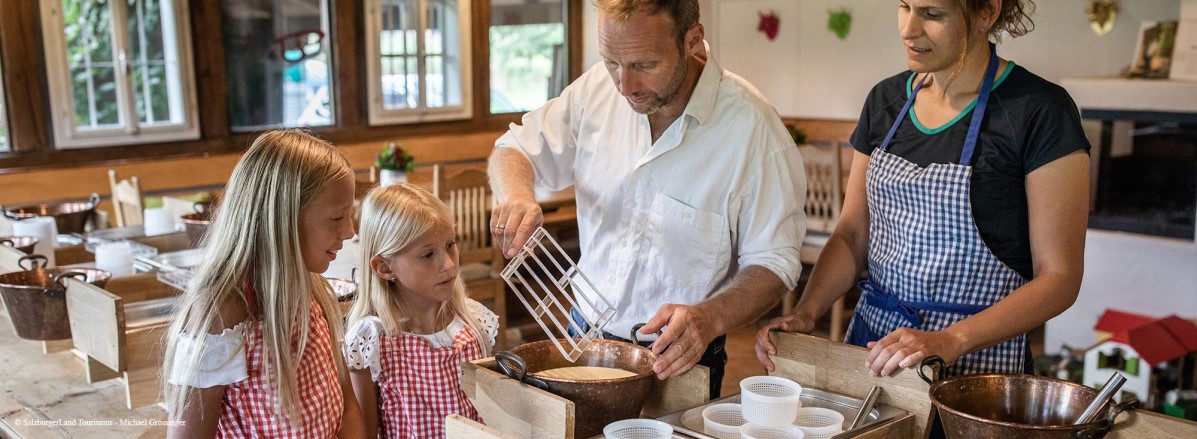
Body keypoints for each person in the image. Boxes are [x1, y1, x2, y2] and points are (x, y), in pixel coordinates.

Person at [757, 0, 1089, 384]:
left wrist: (951, 339)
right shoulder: (885, 101)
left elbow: (1060, 277)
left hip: (975, 369)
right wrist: (806, 311)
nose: (908, 29)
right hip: (874, 352)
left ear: (987, 13)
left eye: (932, 14)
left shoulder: (1039, 111)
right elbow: (851, 234)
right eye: (904, 6)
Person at [488, 0, 806, 398]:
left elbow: (774, 262)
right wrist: (517, 195)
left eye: (643, 65)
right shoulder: (596, 91)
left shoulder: (753, 131)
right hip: (580, 336)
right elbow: (514, 147)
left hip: (677, 356)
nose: (624, 85)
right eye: (611, 62)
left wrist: (709, 317)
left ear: (692, 40)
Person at [163, 130, 365, 437]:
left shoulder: (311, 288)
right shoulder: (225, 310)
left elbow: (345, 401)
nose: (350, 231)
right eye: (337, 218)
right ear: (282, 219)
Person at [343, 183, 498, 439]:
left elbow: (490, 415)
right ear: (385, 268)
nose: (448, 264)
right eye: (427, 255)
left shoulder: (475, 322)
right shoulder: (373, 341)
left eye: (450, 244)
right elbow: (365, 433)